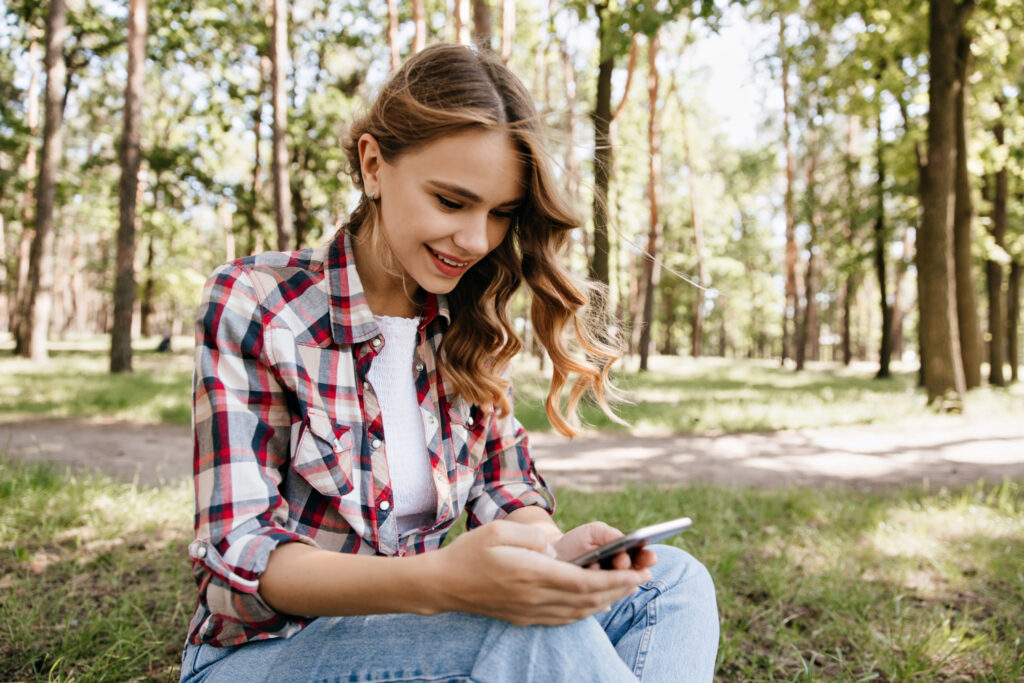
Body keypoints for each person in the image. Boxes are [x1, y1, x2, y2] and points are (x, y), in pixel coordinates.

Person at [180, 44, 718, 682]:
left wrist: (552, 553)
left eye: (500, 214)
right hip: (267, 656)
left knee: (673, 582)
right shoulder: (258, 302)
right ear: (374, 165)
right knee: (517, 642)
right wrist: (441, 583)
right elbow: (239, 554)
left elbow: (507, 488)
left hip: (429, 639)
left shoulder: (468, 318)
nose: (477, 240)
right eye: (453, 202)